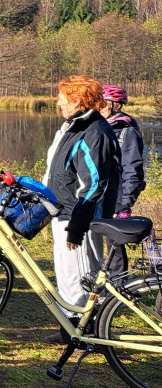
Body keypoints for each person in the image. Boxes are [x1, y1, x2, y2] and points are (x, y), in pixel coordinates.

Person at [43, 75, 120, 344]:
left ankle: (86, 335)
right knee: (67, 275)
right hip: (64, 211)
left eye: (63, 98)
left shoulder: (94, 132)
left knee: (81, 276)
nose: (58, 102)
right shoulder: (75, 126)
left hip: (80, 216)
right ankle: (71, 329)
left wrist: (77, 226)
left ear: (76, 100)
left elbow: (94, 184)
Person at [100, 84, 145, 276]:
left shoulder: (126, 131)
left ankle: (117, 286)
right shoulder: (103, 127)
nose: (98, 107)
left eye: (102, 103)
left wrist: (126, 204)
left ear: (114, 106)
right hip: (103, 193)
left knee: (114, 244)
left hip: (117, 197)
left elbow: (133, 169)